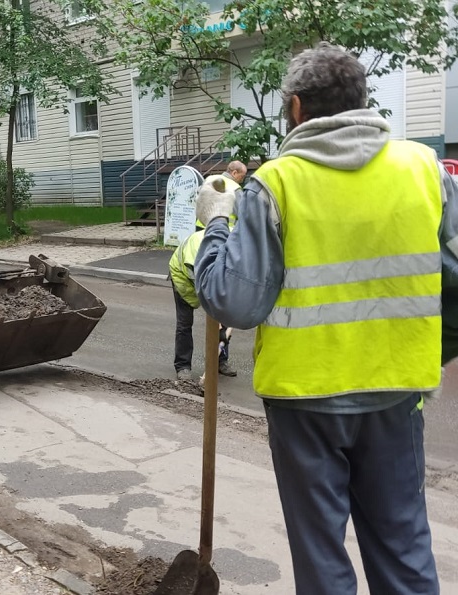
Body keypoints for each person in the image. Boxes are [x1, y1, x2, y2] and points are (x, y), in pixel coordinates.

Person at [193, 41, 458, 595]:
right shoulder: (424, 171)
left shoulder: (276, 183)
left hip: (304, 401)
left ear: (295, 108)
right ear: (363, 100)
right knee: (403, 545)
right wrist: (427, 353)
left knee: (321, 554)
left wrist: (216, 223)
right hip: (394, 393)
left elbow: (233, 302)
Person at [169, 179, 236, 381]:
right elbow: (207, 289)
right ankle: (182, 366)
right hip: (183, 276)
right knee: (185, 323)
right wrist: (218, 318)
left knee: (224, 321)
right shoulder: (199, 255)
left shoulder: (233, 241)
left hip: (208, 276)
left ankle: (220, 361)